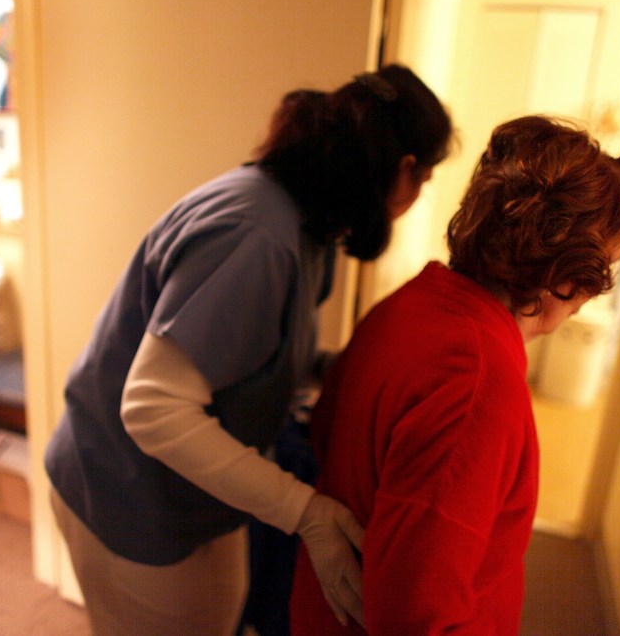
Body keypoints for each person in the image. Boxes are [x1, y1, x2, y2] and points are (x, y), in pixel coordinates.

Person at [45, 64, 453, 635]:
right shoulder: (255, 236)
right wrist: (306, 511)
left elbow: (256, 351)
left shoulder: (310, 222)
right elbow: (154, 408)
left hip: (195, 495)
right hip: (126, 494)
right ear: (404, 169)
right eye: (425, 181)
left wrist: (348, 375)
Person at [290, 115, 620, 634]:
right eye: (607, 263)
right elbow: (417, 613)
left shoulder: (412, 302)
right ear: (569, 272)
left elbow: (325, 427)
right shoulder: (478, 384)